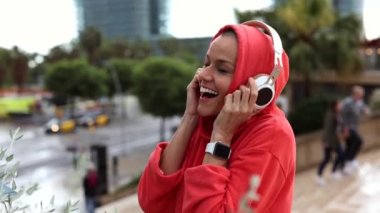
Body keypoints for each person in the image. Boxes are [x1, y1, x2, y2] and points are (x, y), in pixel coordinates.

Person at [138, 20, 296, 212]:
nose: (203, 75)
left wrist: (221, 137)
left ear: (258, 86)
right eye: (206, 63)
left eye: (222, 69)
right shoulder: (206, 120)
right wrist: (190, 117)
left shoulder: (272, 136)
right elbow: (151, 201)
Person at [340, 85, 370, 173]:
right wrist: (344, 129)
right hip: (347, 127)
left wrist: (365, 110)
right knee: (358, 141)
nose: (362, 96)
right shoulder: (347, 103)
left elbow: (363, 108)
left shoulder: (359, 102)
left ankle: (346, 163)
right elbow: (341, 116)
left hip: (354, 127)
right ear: (355, 94)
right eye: (361, 94)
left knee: (349, 146)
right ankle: (348, 162)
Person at [316, 100, 346, 186]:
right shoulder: (330, 115)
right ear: (335, 106)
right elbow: (327, 129)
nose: (340, 106)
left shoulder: (338, 115)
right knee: (327, 159)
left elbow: (339, 126)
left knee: (341, 155)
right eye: (339, 105)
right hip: (330, 141)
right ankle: (319, 175)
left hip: (335, 140)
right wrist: (326, 142)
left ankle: (334, 171)